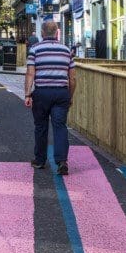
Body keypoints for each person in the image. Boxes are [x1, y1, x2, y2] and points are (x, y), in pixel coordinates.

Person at [24, 19, 77, 174]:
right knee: (60, 126)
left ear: (42, 33)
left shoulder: (35, 49)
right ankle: (61, 161)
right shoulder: (67, 50)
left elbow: (30, 73)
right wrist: (70, 96)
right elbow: (72, 78)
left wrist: (27, 94)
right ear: (57, 33)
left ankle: (40, 160)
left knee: (41, 127)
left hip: (42, 93)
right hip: (61, 94)